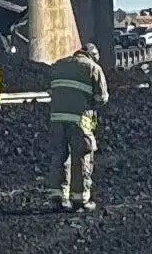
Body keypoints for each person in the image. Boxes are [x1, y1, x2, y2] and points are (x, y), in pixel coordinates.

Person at [47, 42, 109, 211]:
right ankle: (79, 198)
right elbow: (101, 98)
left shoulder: (59, 65)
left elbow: (51, 90)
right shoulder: (93, 68)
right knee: (81, 156)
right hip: (80, 119)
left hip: (56, 118)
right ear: (93, 55)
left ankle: (57, 196)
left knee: (59, 156)